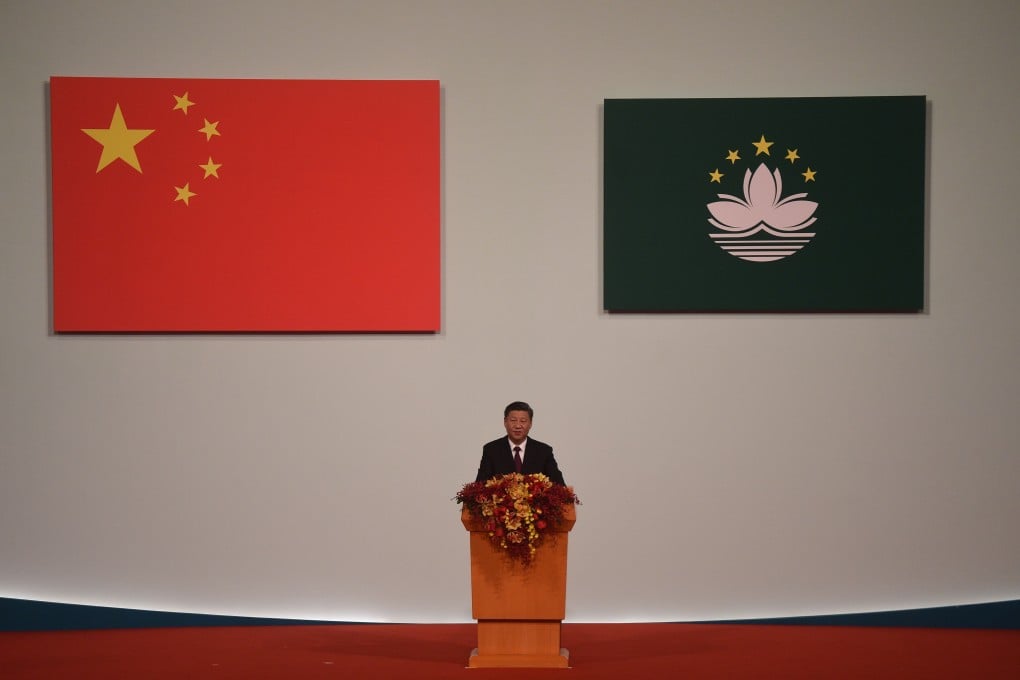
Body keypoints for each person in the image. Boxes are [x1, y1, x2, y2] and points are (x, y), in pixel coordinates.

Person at [475, 401, 565, 486]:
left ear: (530, 423)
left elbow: (560, 486)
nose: (518, 426)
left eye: (523, 421)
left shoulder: (544, 451)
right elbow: (479, 486)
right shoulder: (491, 450)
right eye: (513, 420)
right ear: (505, 422)